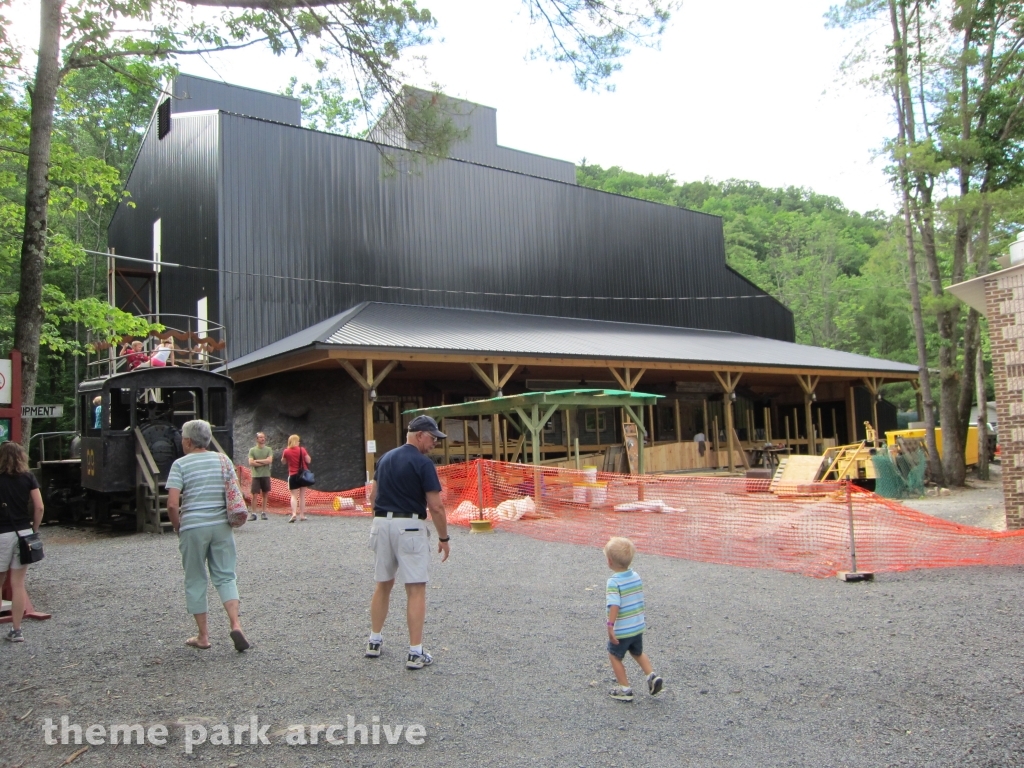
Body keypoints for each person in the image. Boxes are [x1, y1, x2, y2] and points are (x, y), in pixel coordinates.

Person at [365, 414, 450, 670]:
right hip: (410, 525)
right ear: (420, 435)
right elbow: (435, 506)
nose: (435, 442)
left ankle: (374, 640)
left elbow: (373, 496)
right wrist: (444, 537)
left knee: (383, 584)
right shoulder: (423, 464)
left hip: (381, 524)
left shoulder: (385, 458)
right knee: (415, 588)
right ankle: (415, 652)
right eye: (433, 437)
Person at [166, 420, 250, 652]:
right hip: (221, 525)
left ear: (188, 441)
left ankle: (203, 636)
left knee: (195, 578)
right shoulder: (222, 460)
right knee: (225, 575)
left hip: (193, 527)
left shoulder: (180, 465)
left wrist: (177, 526)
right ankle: (236, 624)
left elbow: (173, 504)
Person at [604, 536, 663, 702]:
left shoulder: (613, 582)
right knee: (637, 652)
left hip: (623, 629)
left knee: (614, 655)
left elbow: (614, 604)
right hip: (637, 625)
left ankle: (624, 688)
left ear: (609, 561)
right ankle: (651, 675)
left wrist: (610, 625)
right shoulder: (635, 576)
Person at [0, 441, 45, 642]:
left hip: (1, 534)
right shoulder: (28, 477)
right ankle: (17, 630)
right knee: (18, 584)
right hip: (23, 533)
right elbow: (39, 507)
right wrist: (34, 529)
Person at [281, 435, 311, 523]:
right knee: (302, 496)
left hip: (293, 474)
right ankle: (302, 515)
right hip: (302, 475)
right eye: (298, 441)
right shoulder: (302, 450)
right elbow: (308, 460)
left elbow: (283, 462)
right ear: (296, 441)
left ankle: (294, 513)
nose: (299, 442)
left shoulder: (286, 451)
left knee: (293, 496)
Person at [247, 432, 273, 521]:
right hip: (256, 475)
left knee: (265, 493)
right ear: (257, 439)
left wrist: (257, 461)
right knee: (254, 494)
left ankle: (264, 512)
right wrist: (263, 461)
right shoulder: (252, 450)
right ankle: (253, 513)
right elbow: (250, 462)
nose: (263, 439)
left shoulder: (268, 449)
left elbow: (269, 461)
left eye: (263, 437)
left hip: (265, 474)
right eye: (261, 437)